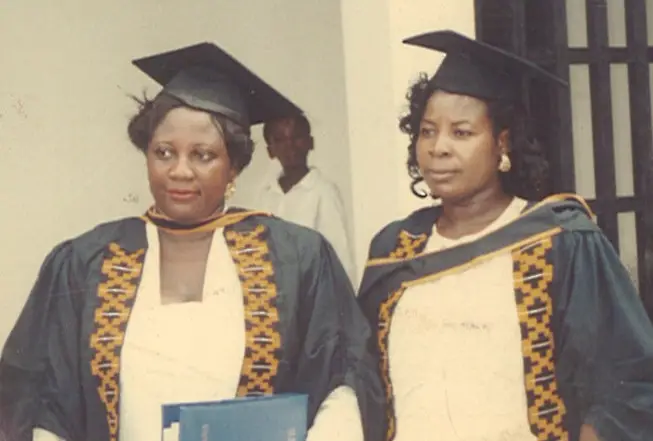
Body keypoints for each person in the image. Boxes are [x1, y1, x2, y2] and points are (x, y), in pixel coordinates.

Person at [0, 42, 384, 441]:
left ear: (234, 166)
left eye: (203, 155)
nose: (180, 171)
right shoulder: (88, 261)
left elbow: (343, 377)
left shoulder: (296, 257)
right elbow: (40, 395)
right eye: (164, 152)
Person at [357, 30, 653, 441]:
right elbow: (364, 378)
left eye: (462, 133)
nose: (439, 148)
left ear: (502, 143)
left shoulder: (560, 241)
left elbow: (626, 381)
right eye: (427, 131)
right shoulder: (395, 248)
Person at [256, 114, 356, 282]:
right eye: (280, 140)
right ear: (270, 150)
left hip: (311, 287)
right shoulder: (266, 194)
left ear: (310, 142)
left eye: (297, 137)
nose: (290, 146)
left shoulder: (323, 191)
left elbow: (340, 255)